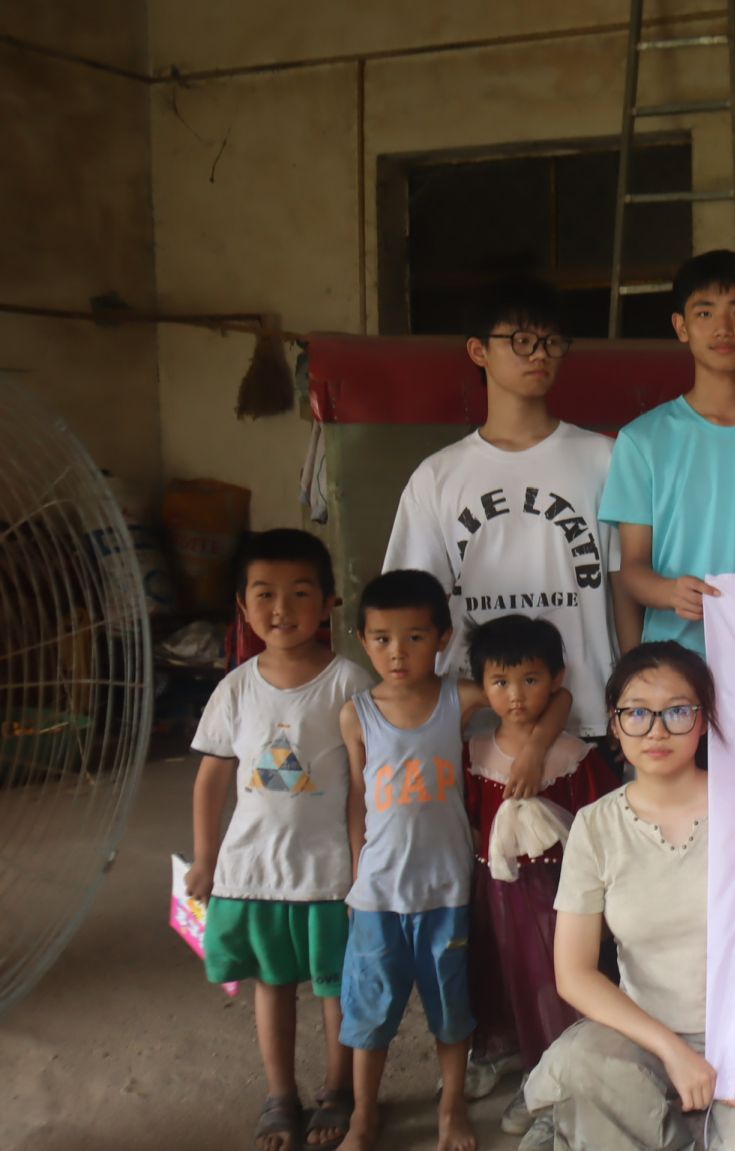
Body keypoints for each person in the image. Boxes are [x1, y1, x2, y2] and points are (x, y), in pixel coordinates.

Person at [521, 642, 735, 1150]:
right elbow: (573, 974)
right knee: (582, 1063)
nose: (657, 730)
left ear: (704, 719)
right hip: (643, 1032)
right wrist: (672, 1050)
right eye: (637, 713)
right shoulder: (595, 826)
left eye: (677, 711)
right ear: (614, 724)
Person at [336, 569, 565, 1151]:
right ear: (363, 640)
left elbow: (558, 696)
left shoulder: (458, 698)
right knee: (369, 1012)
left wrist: (535, 749)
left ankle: (450, 1108)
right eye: (382, 638)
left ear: (442, 639)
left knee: (451, 1010)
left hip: (446, 892)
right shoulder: (356, 714)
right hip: (377, 895)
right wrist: (356, 868)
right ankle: (363, 1116)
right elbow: (358, 795)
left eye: (415, 637)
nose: (397, 652)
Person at [188, 529, 376, 1151]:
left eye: (299, 593)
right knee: (271, 986)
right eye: (264, 594)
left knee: (335, 987)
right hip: (254, 872)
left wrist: (362, 862)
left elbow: (363, 785)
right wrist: (206, 859)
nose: (281, 609)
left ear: (328, 602)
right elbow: (213, 778)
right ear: (242, 606)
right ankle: (280, 1097)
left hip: (329, 872)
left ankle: (338, 1090)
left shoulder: (349, 683)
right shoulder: (235, 688)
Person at [383, 275, 624, 755]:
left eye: (551, 342)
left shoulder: (605, 460)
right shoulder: (438, 476)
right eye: (521, 340)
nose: (539, 354)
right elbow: (406, 608)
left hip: (590, 715)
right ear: (478, 351)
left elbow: (625, 586)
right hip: (475, 720)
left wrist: (631, 692)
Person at [464, 615, 616, 1149]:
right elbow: (471, 821)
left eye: (530, 680)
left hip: (556, 896)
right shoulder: (474, 753)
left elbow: (602, 826)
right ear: (481, 686)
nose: (515, 695)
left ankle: (552, 1080)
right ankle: (504, 1049)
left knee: (551, 983)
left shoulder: (574, 757)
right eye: (499, 682)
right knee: (499, 976)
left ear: (556, 680)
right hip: (496, 893)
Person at [603, 250, 735, 653]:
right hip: (675, 660)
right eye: (704, 313)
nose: (723, 328)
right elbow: (631, 568)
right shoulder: (642, 440)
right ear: (681, 327)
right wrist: (668, 592)